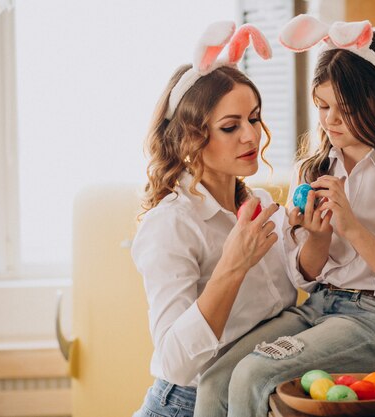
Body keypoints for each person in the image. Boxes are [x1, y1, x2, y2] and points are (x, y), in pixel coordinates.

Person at [194, 15, 375, 417]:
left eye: (344, 110)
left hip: (374, 319)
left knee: (252, 375)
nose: (330, 121)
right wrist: (319, 238)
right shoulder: (312, 172)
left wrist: (352, 227)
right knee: (215, 377)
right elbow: (302, 275)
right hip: (315, 307)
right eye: (323, 106)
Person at [130, 22, 298, 417]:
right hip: (187, 405)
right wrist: (232, 266)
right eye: (230, 126)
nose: (251, 136)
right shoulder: (171, 224)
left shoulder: (256, 203)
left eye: (254, 119)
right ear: (191, 137)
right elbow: (174, 361)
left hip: (255, 398)